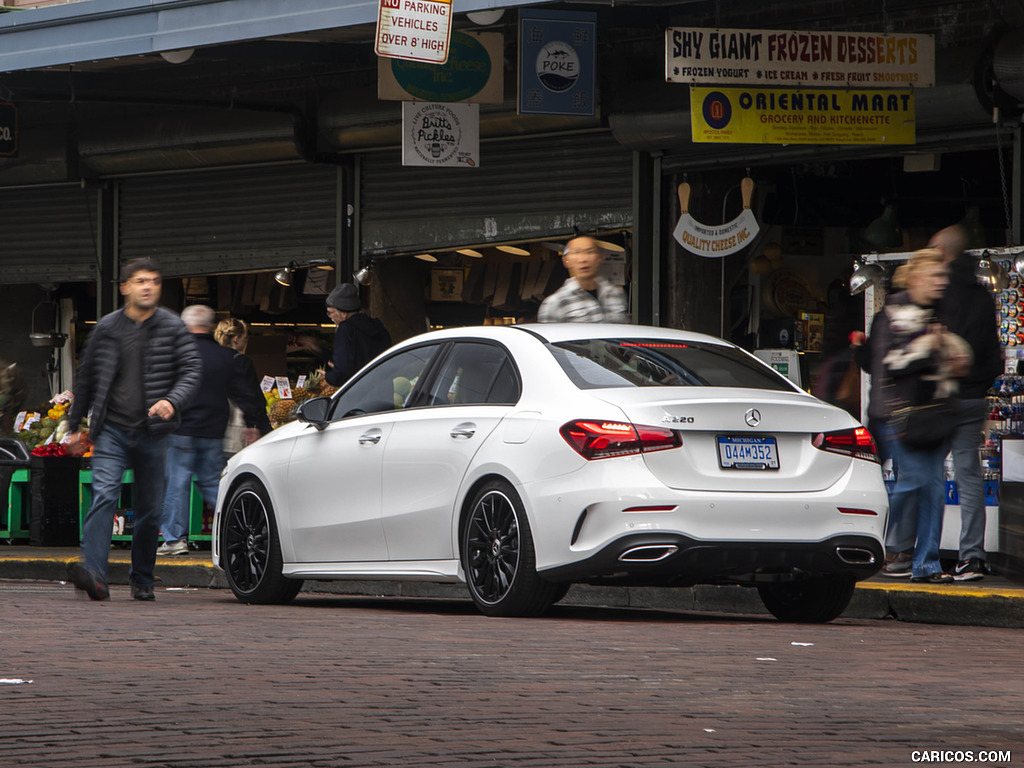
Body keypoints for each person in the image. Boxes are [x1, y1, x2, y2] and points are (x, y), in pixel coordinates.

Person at [64, 258, 201, 601]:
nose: (147, 286)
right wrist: (73, 426)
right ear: (124, 287)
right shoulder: (108, 327)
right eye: (140, 281)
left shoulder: (172, 326)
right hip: (111, 428)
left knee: (150, 507)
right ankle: (95, 574)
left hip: (155, 431)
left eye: (154, 281)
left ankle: (142, 577)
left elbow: (192, 369)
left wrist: (173, 400)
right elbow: (88, 377)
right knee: (105, 494)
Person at [876, 248, 972, 583]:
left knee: (932, 488)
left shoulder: (943, 309)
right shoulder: (894, 310)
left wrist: (955, 356)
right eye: (935, 276)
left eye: (943, 276)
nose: (941, 282)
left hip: (939, 413)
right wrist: (928, 347)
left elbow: (957, 354)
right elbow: (890, 362)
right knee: (911, 484)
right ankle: (874, 535)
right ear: (917, 277)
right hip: (904, 415)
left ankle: (926, 564)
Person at [157, 306, 271, 556]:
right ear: (209, 327)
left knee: (177, 482)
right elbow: (246, 395)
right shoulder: (225, 357)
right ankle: (236, 529)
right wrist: (254, 425)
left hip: (180, 430)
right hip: (213, 430)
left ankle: (175, 539)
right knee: (213, 484)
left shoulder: (175, 356)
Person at [930, 224, 1003, 581]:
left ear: (943, 252)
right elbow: (996, 357)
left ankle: (921, 555)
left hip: (938, 398)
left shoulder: (937, 291)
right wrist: (979, 383)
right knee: (970, 475)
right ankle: (972, 556)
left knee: (924, 474)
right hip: (974, 398)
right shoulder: (981, 294)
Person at [537, 235, 629, 323]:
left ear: (600, 257)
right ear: (566, 261)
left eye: (590, 252)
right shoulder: (555, 303)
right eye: (577, 252)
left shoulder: (615, 293)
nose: (583, 259)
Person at [320, 283, 391, 387]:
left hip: (359, 393)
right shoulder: (377, 326)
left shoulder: (346, 329)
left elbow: (343, 372)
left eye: (331, 312)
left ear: (344, 313)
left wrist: (329, 376)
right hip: (384, 389)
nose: (330, 317)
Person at [214, 317, 261, 457]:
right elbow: (249, 395)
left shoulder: (211, 358)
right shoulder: (241, 361)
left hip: (213, 426)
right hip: (236, 426)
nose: (245, 342)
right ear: (236, 339)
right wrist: (253, 424)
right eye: (245, 339)